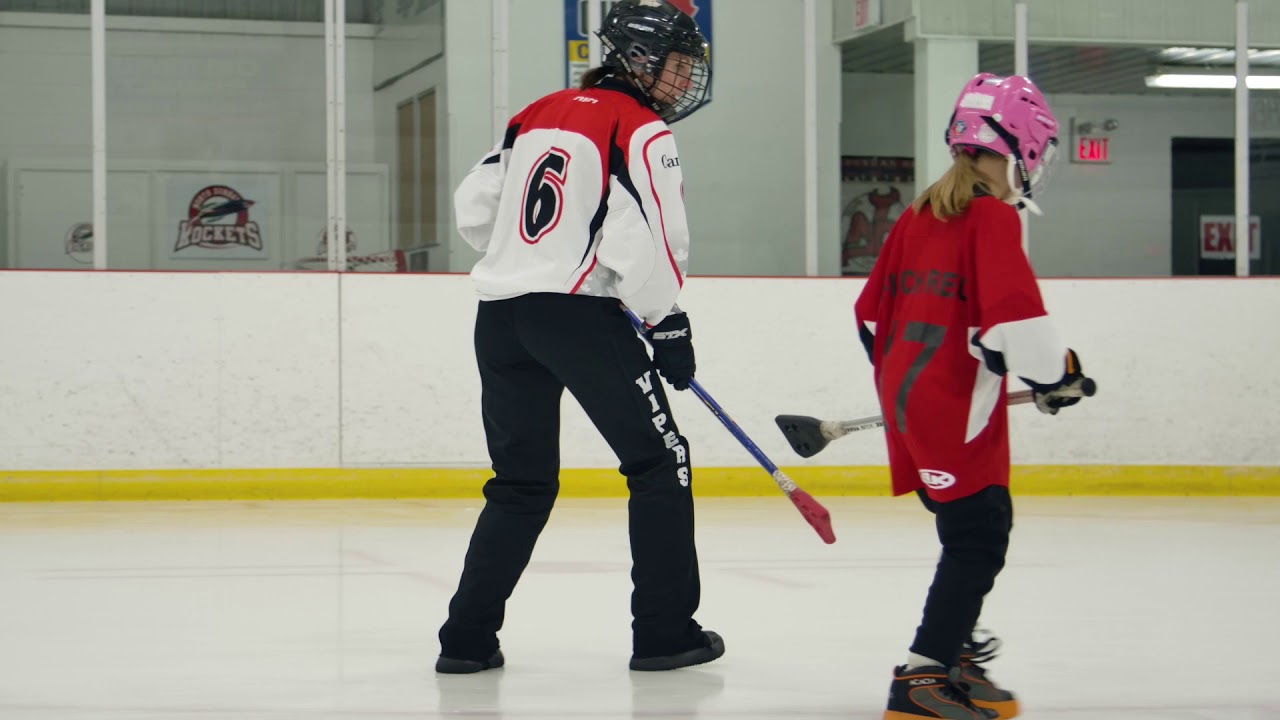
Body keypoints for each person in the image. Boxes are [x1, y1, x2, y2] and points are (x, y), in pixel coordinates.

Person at [436, 0, 722, 675]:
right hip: (576, 318)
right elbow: (654, 237)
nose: (686, 78)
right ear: (642, 60)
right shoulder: (641, 127)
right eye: (679, 63)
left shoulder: (533, 113)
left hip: (501, 314)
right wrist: (666, 322)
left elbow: (473, 207)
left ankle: (466, 641)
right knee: (661, 463)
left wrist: (530, 256)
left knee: (521, 483)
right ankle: (664, 633)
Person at [853, 73, 1095, 720]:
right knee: (979, 537)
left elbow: (871, 319)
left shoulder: (920, 213)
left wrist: (920, 375)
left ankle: (956, 656)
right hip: (955, 412)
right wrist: (1055, 375)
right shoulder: (989, 216)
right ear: (1019, 147)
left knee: (969, 529)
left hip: (913, 408)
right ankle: (923, 676)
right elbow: (1017, 329)